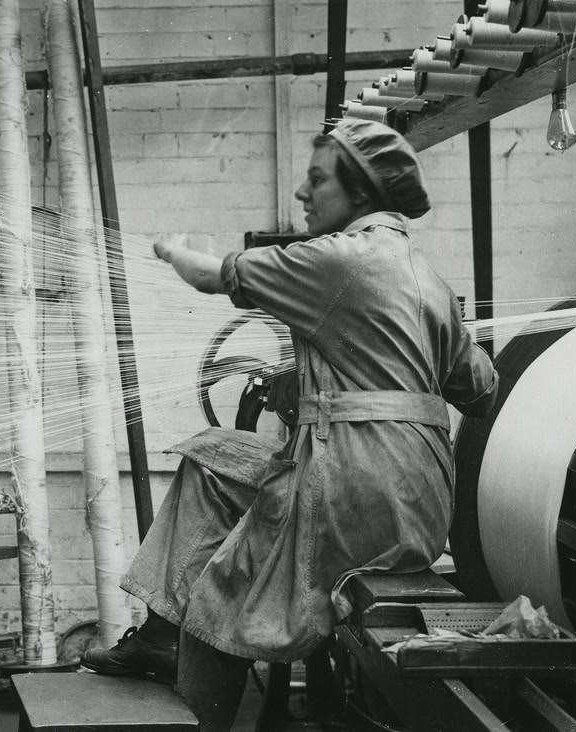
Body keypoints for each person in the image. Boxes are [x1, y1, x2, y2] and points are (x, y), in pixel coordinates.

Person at [80, 118, 499, 730]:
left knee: (220, 595)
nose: (303, 195)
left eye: (317, 181)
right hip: (421, 502)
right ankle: (159, 631)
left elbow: (209, 274)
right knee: (213, 457)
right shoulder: (429, 278)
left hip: (356, 488)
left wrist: (167, 248)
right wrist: (318, 387)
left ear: (358, 196)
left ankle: (191, 682)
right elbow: (479, 389)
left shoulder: (337, 257)